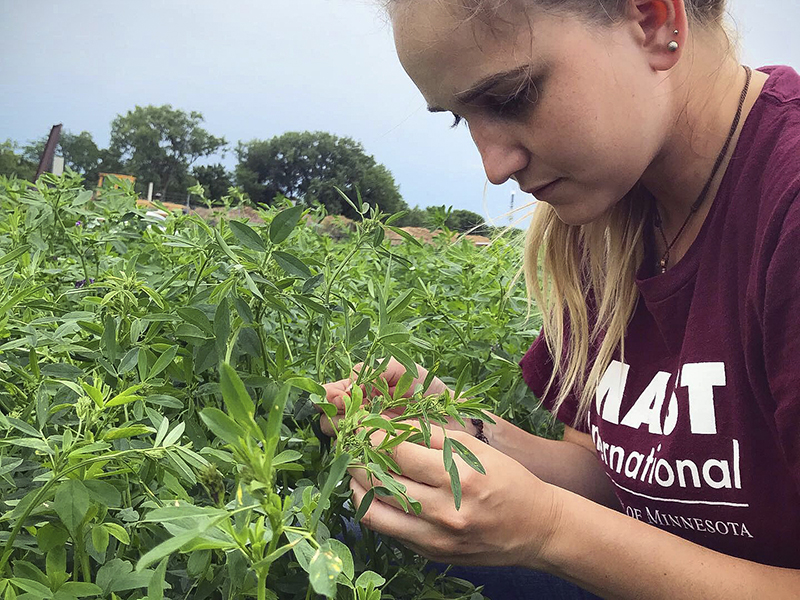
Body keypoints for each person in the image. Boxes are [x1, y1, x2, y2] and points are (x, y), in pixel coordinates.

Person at [321, 0, 800, 597]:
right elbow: (614, 477)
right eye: (459, 117)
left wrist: (546, 532)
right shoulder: (607, 208)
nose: (494, 167)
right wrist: (462, 433)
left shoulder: (785, 202)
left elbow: (569, 523)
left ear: (653, 21)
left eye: (511, 97)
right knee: (351, 530)